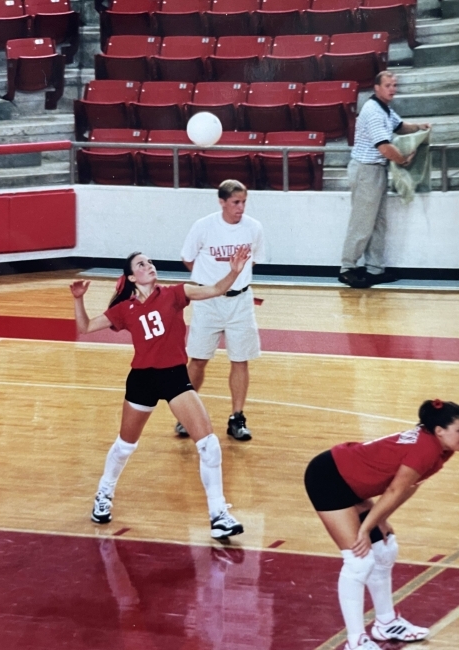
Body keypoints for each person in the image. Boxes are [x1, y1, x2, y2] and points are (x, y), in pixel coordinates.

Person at [69, 247, 251, 540]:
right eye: (142, 264)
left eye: (150, 261)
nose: (150, 265)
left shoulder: (175, 294)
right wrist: (78, 300)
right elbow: (85, 327)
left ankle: (218, 515)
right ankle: (103, 494)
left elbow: (216, 289)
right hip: (142, 379)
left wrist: (235, 271)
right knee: (125, 446)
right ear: (131, 276)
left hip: (174, 377)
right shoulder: (124, 309)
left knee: (208, 444)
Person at [304, 398, 459, 650]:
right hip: (329, 478)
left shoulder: (444, 448)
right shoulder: (426, 448)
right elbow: (396, 489)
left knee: (385, 549)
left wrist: (380, 519)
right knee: (358, 559)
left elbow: (407, 487)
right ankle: (355, 641)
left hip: (351, 480)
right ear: (440, 431)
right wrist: (366, 528)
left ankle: (386, 623)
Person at [175, 179, 266, 442]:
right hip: (208, 302)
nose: (240, 208)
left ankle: (237, 417)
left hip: (240, 302)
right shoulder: (204, 226)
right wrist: (210, 285)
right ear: (222, 202)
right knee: (198, 358)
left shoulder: (254, 228)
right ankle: (185, 415)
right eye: (236, 202)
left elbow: (254, 260)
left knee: (240, 359)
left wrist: (234, 284)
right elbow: (187, 257)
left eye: (244, 202)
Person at [338, 71, 431, 289]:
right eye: (388, 85)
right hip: (366, 170)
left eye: (394, 85)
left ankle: (374, 269)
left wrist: (419, 127)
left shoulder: (384, 109)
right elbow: (384, 147)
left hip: (376, 170)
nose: (392, 89)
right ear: (377, 88)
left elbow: (400, 127)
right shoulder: (373, 111)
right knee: (362, 221)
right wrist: (403, 160)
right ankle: (347, 268)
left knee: (378, 221)